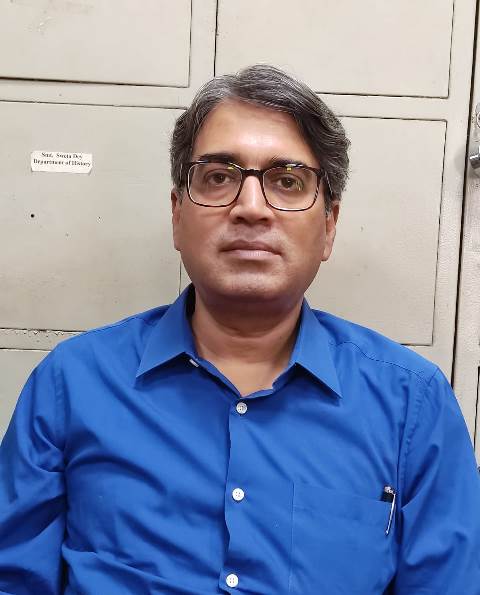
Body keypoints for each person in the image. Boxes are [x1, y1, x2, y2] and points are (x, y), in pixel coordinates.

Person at [0, 64, 479, 595]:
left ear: (329, 226)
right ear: (177, 215)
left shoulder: (412, 404)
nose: (251, 208)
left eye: (288, 181)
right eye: (218, 177)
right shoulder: (71, 385)